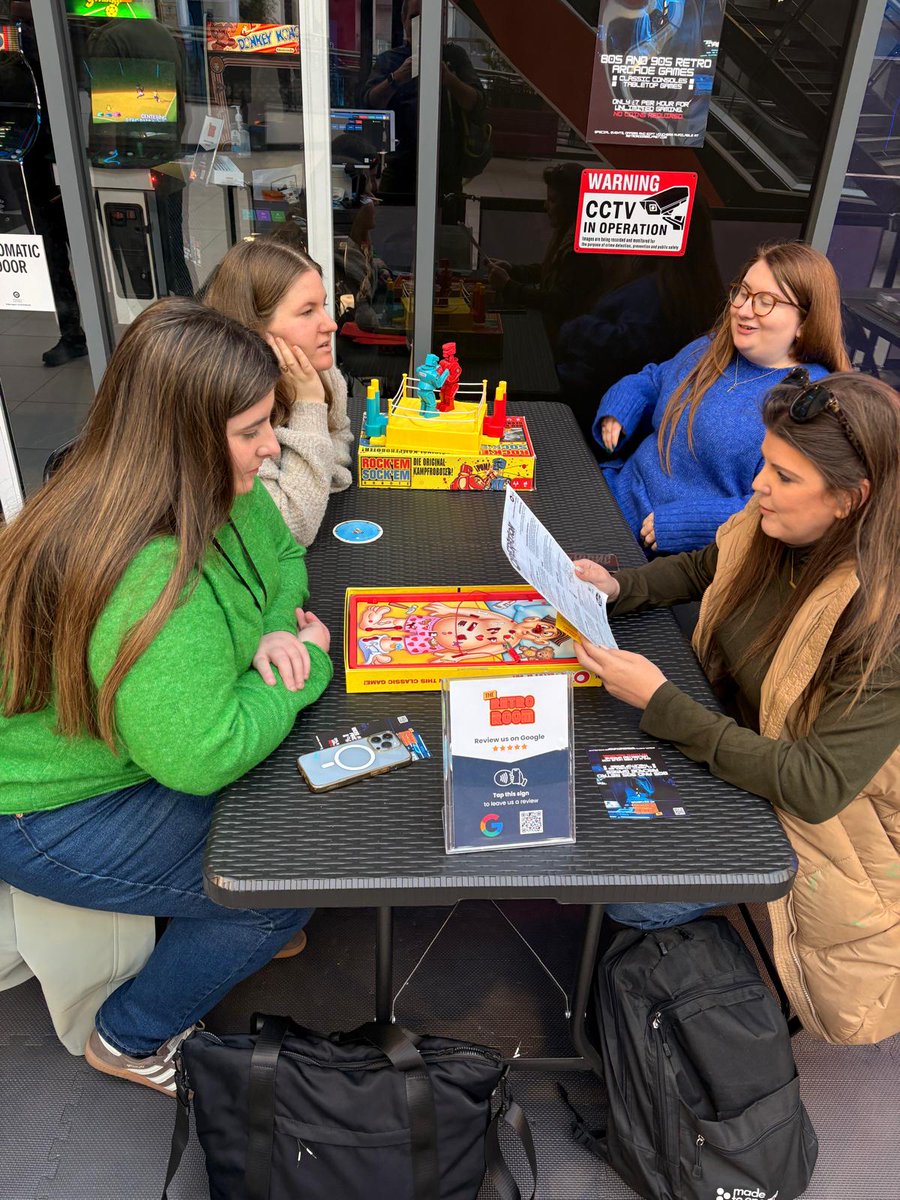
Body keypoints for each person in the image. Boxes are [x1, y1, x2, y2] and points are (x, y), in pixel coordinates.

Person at [0, 297, 334, 1091]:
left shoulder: (202, 492)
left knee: (285, 819)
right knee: (281, 884)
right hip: (48, 815)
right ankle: (129, 1039)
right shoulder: (148, 571)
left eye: (270, 423)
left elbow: (285, 559)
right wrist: (304, 661)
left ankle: (212, 923)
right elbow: (204, 753)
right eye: (252, 431)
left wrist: (258, 634)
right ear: (183, 435)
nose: (271, 450)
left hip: (121, 759)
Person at [573, 370, 900, 1044]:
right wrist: (618, 586)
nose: (758, 486)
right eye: (764, 465)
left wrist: (662, 702)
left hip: (831, 825)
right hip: (737, 742)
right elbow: (707, 568)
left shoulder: (882, 621)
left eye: (783, 476)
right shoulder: (771, 522)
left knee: (632, 896)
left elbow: (815, 787)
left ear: (850, 499)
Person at [594, 241, 850, 553]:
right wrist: (621, 409)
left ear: (805, 323)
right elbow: (654, 378)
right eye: (742, 292)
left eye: (765, 301)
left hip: (661, 549)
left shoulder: (809, 401)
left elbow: (782, 505)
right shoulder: (711, 348)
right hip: (612, 495)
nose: (743, 309)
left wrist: (689, 524)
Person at [201, 237, 352, 547]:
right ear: (255, 328)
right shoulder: (232, 408)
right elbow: (292, 528)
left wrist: (309, 479)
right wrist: (308, 407)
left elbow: (338, 451)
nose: (331, 325)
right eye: (307, 311)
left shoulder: (324, 376)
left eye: (323, 305)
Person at [555, 196, 724, 446]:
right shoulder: (695, 285)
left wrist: (574, 329)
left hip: (598, 411)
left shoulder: (657, 290)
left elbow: (626, 349)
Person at [362, 0, 485, 222]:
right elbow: (370, 104)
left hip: (445, 173)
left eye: (429, 16)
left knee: (446, 241)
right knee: (392, 236)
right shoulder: (390, 60)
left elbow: (477, 103)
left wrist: (449, 79)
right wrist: (397, 77)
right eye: (415, 16)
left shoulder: (453, 57)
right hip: (399, 171)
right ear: (404, 21)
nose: (422, 23)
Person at [487, 162, 632, 348]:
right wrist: (515, 271)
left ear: (571, 204)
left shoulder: (580, 249)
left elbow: (558, 302)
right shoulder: (569, 233)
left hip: (567, 344)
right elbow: (555, 272)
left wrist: (508, 287)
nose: (546, 205)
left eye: (553, 200)